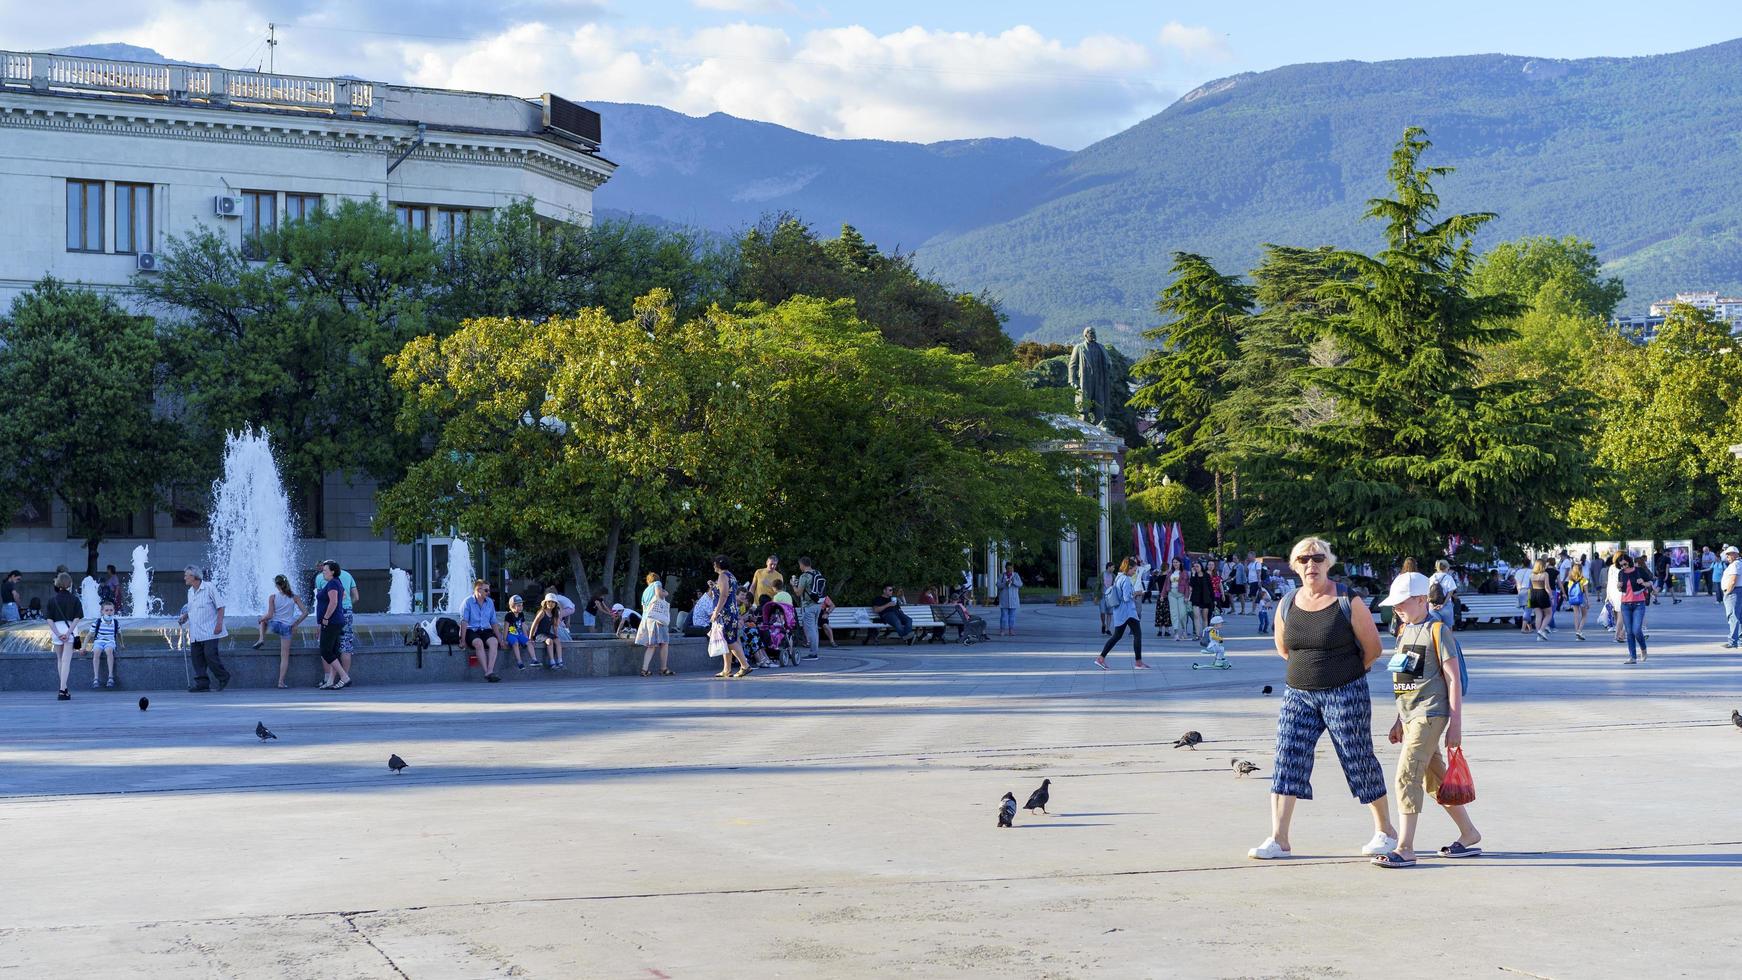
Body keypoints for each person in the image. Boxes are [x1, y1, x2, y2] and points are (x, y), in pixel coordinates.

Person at [1249, 537, 1398, 862]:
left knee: (1357, 756)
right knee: (1287, 759)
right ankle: (1279, 838)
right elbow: (1283, 648)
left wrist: (1343, 673)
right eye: (1303, 559)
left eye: (1317, 558)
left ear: (1328, 562)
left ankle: (1385, 830)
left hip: (1345, 691)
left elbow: (1373, 648)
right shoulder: (1287, 602)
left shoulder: (1347, 599)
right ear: (1294, 565)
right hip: (1298, 694)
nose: (1310, 565)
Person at [1373, 572, 1481, 868]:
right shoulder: (1403, 631)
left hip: (1431, 713)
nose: (1396, 609)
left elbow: (1453, 678)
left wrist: (1455, 724)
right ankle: (1469, 834)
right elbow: (1404, 679)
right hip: (1410, 716)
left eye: (1402, 603)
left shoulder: (1438, 630)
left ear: (1421, 600)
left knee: (1406, 774)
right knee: (1436, 780)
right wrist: (1399, 719)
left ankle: (1406, 848)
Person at [179, 566, 231, 694]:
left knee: (210, 655)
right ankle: (202, 683)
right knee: (197, 658)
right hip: (195, 631)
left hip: (210, 630)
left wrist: (219, 624)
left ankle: (223, 676)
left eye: (186, 575)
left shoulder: (209, 587)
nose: (184, 578)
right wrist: (185, 617)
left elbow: (221, 607)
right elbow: (192, 609)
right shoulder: (190, 592)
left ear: (194, 576)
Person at [310, 559, 360, 682]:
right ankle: (343, 678)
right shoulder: (348, 575)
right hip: (346, 612)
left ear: (330, 569)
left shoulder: (321, 578)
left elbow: (323, 601)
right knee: (345, 645)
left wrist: (322, 621)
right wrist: (347, 606)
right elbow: (356, 597)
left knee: (327, 646)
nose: (322, 571)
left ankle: (328, 677)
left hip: (331, 614)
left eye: (324, 568)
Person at [254, 575, 308, 688]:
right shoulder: (295, 597)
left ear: (276, 585)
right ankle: (281, 682)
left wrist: (261, 619)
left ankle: (261, 639)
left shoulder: (273, 597)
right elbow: (305, 612)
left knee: (263, 619)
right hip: (287, 628)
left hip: (275, 625)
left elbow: (269, 615)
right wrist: (296, 623)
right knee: (284, 656)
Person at [1095, 558, 1148, 670]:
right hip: (1128, 613)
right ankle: (1138, 663)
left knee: (1116, 636)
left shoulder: (1118, 577)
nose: (1134, 572)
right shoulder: (1126, 579)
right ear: (1128, 568)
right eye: (1134, 570)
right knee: (1137, 635)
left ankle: (1101, 658)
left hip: (1119, 612)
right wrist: (1138, 593)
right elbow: (1126, 597)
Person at [708, 556, 751, 678]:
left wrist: (716, 612)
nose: (713, 566)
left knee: (730, 640)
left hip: (725, 613)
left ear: (717, 565)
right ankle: (727, 669)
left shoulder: (723, 576)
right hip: (731, 611)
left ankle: (745, 665)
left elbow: (724, 595)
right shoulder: (730, 575)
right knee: (726, 640)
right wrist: (714, 586)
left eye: (714, 564)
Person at [45, 572, 83, 700]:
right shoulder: (75, 599)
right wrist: (67, 633)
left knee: (59, 660)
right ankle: (62, 690)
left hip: (56, 630)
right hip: (70, 630)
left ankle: (64, 688)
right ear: (70, 583)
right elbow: (77, 618)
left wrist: (57, 633)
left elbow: (49, 619)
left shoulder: (52, 600)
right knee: (66, 661)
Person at [1614, 553, 1653, 664]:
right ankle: (1632, 657)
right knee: (1629, 632)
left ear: (1629, 561)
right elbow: (1620, 588)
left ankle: (1643, 649)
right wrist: (1618, 586)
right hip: (1625, 604)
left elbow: (1651, 582)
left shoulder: (1639, 570)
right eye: (1621, 565)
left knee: (1636, 630)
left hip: (1639, 604)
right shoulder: (1621, 573)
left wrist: (1643, 583)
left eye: (1625, 564)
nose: (1623, 567)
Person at [460, 579, 501, 681]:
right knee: (478, 643)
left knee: (494, 642)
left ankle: (489, 671)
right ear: (478, 590)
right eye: (486, 590)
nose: (489, 592)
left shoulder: (490, 602)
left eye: (489, 590)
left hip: (485, 629)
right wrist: (463, 640)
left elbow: (493, 622)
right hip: (471, 630)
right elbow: (464, 622)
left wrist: (500, 639)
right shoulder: (467, 602)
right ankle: (487, 671)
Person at [635, 572, 673, 676]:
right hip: (658, 619)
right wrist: (666, 593)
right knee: (664, 643)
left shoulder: (645, 591)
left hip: (648, 619)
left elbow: (644, 609)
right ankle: (663, 668)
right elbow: (659, 594)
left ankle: (644, 669)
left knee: (651, 645)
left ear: (648, 581)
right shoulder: (657, 583)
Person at [792, 557, 826, 661]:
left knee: (811, 630)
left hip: (808, 606)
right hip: (818, 604)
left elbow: (798, 592)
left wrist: (793, 585)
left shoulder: (804, 576)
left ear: (802, 565)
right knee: (814, 629)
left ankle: (813, 654)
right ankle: (815, 652)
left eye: (800, 565)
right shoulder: (817, 573)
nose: (799, 567)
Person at [87, 599, 121, 689]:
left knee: (109, 651)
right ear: (102, 611)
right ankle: (96, 678)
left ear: (114, 611)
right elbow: (89, 635)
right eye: (106, 610)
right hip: (99, 641)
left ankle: (110, 677)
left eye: (111, 610)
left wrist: (122, 644)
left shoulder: (116, 622)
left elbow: (119, 634)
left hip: (110, 641)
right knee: (96, 652)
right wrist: (83, 647)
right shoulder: (98, 622)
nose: (109, 612)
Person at [529, 594, 566, 668]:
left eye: (553, 602)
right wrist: (530, 637)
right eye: (549, 602)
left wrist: (556, 636)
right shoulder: (542, 612)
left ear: (555, 604)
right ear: (545, 603)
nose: (551, 604)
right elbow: (534, 624)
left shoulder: (554, 613)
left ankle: (560, 661)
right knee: (549, 641)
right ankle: (552, 662)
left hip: (548, 633)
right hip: (540, 634)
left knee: (557, 641)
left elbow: (555, 626)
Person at [502, 595, 536, 669]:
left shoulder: (521, 614)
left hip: (519, 634)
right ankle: (519, 662)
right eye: (519, 606)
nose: (521, 607)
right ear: (512, 606)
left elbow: (523, 626)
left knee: (529, 643)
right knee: (515, 643)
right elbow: (505, 628)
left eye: (522, 605)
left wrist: (526, 638)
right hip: (510, 635)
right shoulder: (509, 615)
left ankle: (534, 660)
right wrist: (504, 640)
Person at [1427, 559, 1459, 631]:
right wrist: (1443, 604)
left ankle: (1436, 641)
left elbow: (1428, 593)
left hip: (1433, 606)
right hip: (1446, 606)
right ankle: (1448, 642)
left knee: (1435, 628)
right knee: (1448, 628)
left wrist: (1431, 604)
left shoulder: (1431, 578)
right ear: (1447, 567)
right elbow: (1450, 593)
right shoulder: (1448, 578)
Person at [1720, 546, 1742, 649]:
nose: (1727, 556)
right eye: (1726, 554)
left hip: (1734, 592)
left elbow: (1733, 580)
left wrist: (1727, 592)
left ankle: (1733, 641)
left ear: (1735, 554)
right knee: (1739, 617)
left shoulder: (1735, 565)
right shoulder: (1738, 564)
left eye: (1729, 554)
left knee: (1733, 617)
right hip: (1738, 591)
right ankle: (1740, 640)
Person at [1526, 559, 1553, 641]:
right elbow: (1547, 587)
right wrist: (1551, 596)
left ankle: (1539, 635)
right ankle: (1541, 630)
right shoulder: (1545, 574)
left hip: (1533, 594)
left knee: (1538, 615)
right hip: (1542, 594)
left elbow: (1530, 587)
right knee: (1549, 614)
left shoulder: (1531, 575)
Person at [1564, 561, 1591, 642]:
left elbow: (1569, 590)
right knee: (1584, 615)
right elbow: (1586, 592)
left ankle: (1577, 632)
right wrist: (1588, 601)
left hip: (1574, 598)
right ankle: (1579, 631)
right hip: (1581, 598)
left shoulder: (1570, 580)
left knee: (1576, 615)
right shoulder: (1584, 580)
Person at [1189, 560, 1215, 639]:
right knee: (1196, 617)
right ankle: (1197, 634)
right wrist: (1193, 574)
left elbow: (1210, 588)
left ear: (1201, 567)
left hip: (1205, 598)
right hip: (1196, 598)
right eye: (1194, 567)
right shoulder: (1193, 575)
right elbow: (1191, 585)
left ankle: (1205, 634)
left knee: (1205, 617)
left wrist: (1213, 600)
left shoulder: (1206, 575)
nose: (1196, 568)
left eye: (1197, 566)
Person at [996, 563, 1023, 636]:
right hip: (1004, 599)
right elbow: (998, 585)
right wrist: (1005, 583)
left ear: (1013, 568)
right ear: (1005, 568)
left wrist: (1014, 582)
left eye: (1011, 568)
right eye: (1008, 568)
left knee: (1012, 616)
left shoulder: (1016, 575)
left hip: (1013, 599)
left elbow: (1020, 584)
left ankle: (1011, 630)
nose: (1009, 570)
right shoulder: (1002, 575)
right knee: (1004, 616)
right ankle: (1002, 630)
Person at [1098, 561, 1117, 635]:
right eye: (1113, 567)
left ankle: (1108, 629)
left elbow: (1116, 586)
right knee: (1102, 612)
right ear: (1109, 567)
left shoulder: (1113, 576)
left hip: (1110, 597)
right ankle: (1103, 624)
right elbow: (1097, 585)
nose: (1114, 568)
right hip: (1102, 596)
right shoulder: (1102, 575)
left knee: (1109, 613)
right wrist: (1096, 595)